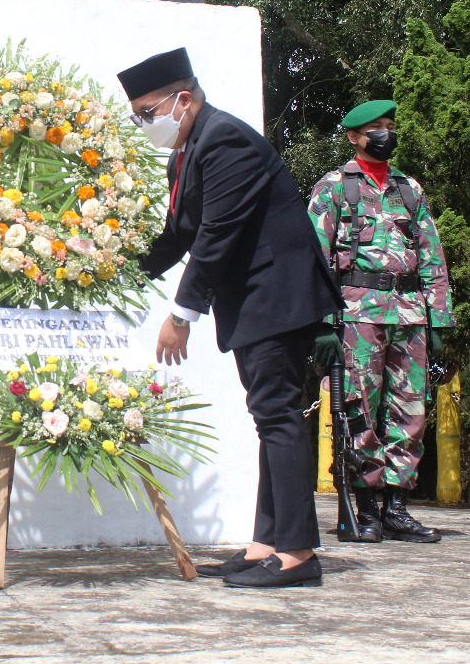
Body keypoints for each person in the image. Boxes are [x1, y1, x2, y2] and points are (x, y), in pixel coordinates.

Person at [119, 47, 342, 589]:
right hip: (255, 298)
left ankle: (297, 553)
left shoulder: (225, 140)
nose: (146, 124)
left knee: (279, 417)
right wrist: (114, 270)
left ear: (184, 98)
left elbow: (216, 237)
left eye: (149, 112)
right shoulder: (189, 149)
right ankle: (267, 544)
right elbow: (179, 235)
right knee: (270, 417)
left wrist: (181, 315)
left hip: (277, 296)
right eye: (138, 117)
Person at [307, 100, 453, 543]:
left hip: (410, 314)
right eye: (375, 128)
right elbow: (312, 258)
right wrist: (319, 322)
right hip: (356, 315)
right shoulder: (334, 187)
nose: (385, 134)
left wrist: (440, 320)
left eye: (389, 126)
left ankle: (397, 508)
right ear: (354, 136)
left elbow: (432, 257)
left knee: (409, 410)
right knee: (359, 409)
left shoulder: (410, 189)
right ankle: (365, 509)